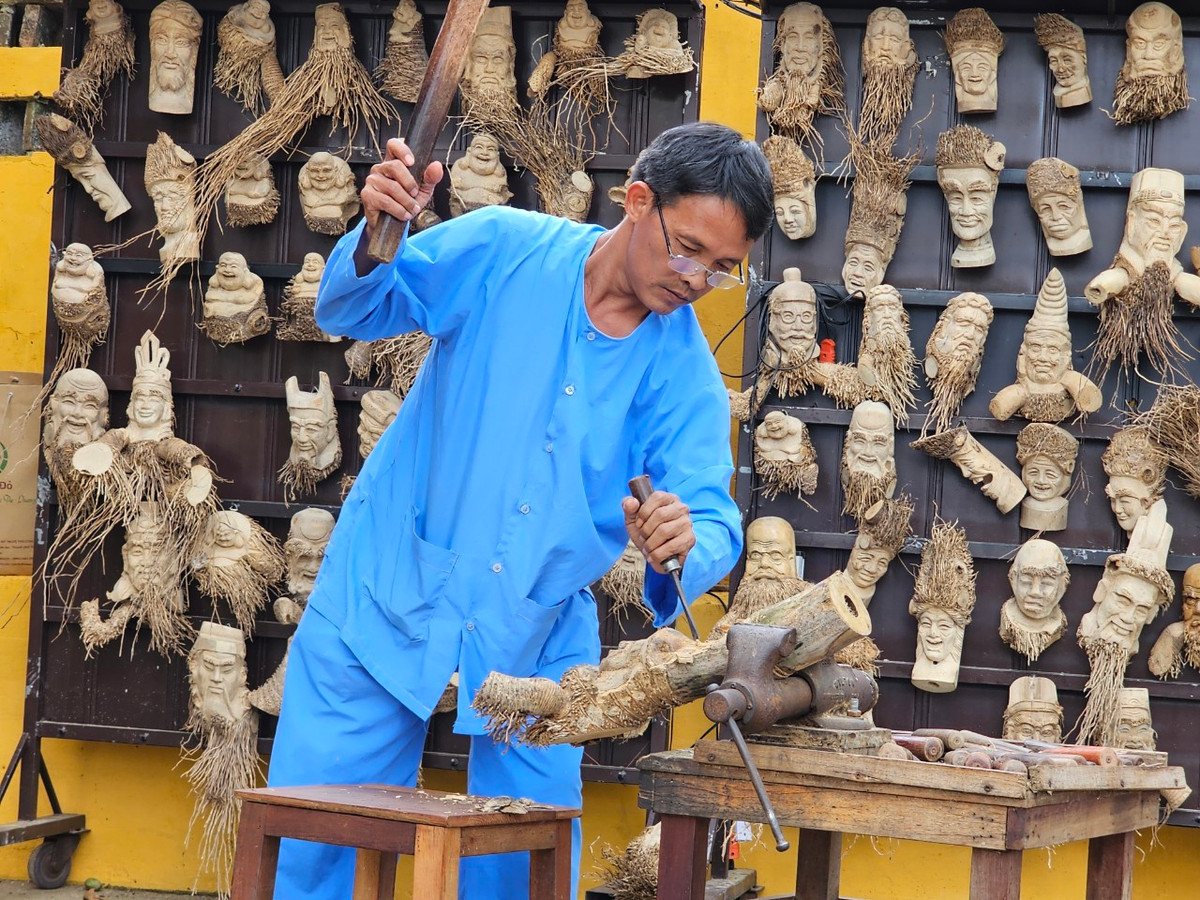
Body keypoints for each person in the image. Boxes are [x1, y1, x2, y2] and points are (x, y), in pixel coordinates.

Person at [266, 121, 773, 900]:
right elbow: (358, 307)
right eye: (688, 248)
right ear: (638, 200)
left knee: (522, 867)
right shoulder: (503, 249)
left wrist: (687, 538)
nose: (697, 279)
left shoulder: (684, 376)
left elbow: (709, 513)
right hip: (384, 589)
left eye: (722, 268)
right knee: (316, 848)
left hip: (534, 635)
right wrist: (378, 234)